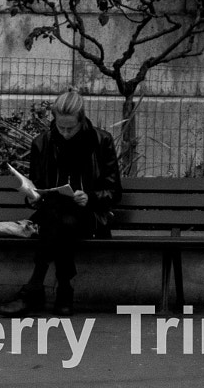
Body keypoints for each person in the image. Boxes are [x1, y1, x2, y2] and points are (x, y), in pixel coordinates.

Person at [16, 88, 121, 313]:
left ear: (81, 120)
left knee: (61, 220)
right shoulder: (42, 143)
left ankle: (35, 287)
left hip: (89, 217)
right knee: (59, 218)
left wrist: (90, 197)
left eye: (70, 128)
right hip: (53, 214)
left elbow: (114, 192)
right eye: (60, 127)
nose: (64, 133)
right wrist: (33, 198)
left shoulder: (101, 141)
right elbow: (36, 187)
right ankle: (64, 290)